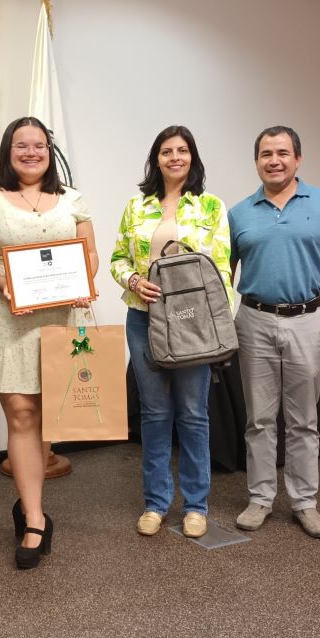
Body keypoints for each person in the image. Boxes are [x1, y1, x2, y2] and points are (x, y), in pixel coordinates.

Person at [0, 116, 98, 569]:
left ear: (49, 151)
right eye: (22, 145)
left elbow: (89, 253)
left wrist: (85, 279)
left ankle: (27, 503)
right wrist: (8, 284)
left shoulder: (71, 199)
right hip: (6, 319)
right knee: (21, 414)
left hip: (59, 319)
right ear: (8, 150)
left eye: (39, 145)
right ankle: (36, 519)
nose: (31, 152)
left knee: (46, 420)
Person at [229, 125, 320, 538]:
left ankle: (304, 502)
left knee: (303, 420)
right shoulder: (239, 212)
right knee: (260, 419)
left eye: (283, 152)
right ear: (257, 162)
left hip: (309, 320)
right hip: (254, 321)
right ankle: (260, 498)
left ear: (298, 158)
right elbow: (220, 272)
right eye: (266, 154)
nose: (275, 160)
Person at [110, 125, 232, 539]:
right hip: (144, 320)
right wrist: (131, 281)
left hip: (193, 323)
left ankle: (196, 505)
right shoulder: (136, 206)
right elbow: (116, 259)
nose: (175, 157)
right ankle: (156, 502)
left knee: (194, 415)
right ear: (156, 159)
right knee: (155, 413)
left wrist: (221, 323)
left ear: (192, 158)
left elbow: (222, 272)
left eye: (182, 151)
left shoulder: (211, 207)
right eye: (166, 151)